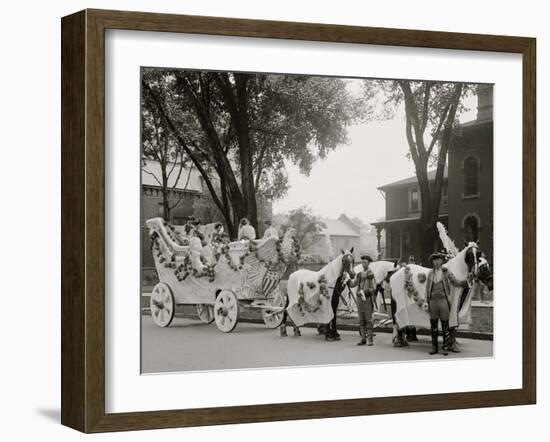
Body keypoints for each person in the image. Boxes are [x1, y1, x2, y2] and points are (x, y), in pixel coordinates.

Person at [426, 251, 469, 355]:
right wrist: (426, 301)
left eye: (438, 260)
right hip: (433, 301)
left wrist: (466, 282)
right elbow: (427, 288)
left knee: (445, 325)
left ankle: (445, 347)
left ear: (442, 261)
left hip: (443, 300)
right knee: (434, 326)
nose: (436, 262)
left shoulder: (446, 271)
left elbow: (455, 282)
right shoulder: (430, 273)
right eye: (434, 260)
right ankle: (434, 347)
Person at [349, 254, 376, 346]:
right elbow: (353, 284)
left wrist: (365, 292)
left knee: (368, 320)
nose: (363, 264)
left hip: (367, 300)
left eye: (365, 262)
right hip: (359, 300)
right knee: (361, 320)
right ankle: (363, 339)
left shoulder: (371, 274)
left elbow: (373, 288)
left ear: (369, 263)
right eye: (362, 262)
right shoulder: (359, 274)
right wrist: (347, 280)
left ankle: (370, 340)